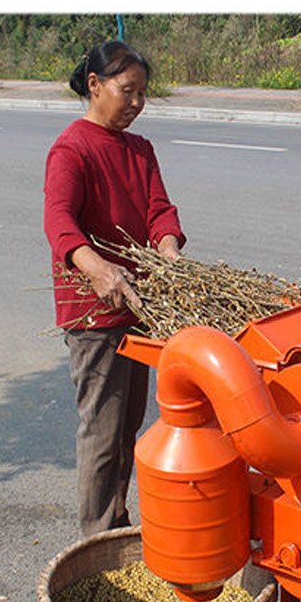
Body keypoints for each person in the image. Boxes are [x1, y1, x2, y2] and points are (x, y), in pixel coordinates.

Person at [43, 40, 186, 537]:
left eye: (143, 94)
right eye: (128, 91)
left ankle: (117, 526)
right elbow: (59, 222)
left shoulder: (140, 150)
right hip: (95, 313)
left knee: (127, 429)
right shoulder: (72, 149)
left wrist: (167, 248)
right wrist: (99, 270)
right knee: (102, 434)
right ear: (95, 85)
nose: (137, 103)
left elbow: (159, 210)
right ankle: (99, 541)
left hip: (139, 307)